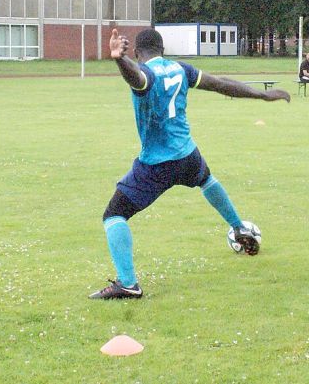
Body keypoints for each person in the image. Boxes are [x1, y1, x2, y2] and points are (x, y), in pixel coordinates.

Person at [90, 28, 290, 300]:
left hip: (157, 163)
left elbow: (136, 78)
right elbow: (220, 83)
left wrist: (118, 60)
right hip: (187, 154)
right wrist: (262, 95)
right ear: (163, 49)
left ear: (138, 53)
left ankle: (128, 283)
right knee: (206, 180)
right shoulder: (180, 69)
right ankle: (238, 226)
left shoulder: (145, 73)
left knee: (114, 215)